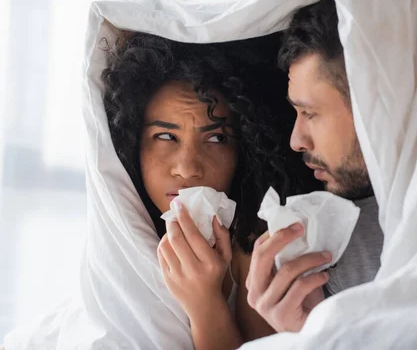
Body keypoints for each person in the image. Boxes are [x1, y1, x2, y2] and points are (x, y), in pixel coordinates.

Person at [101, 30, 319, 349]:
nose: (188, 167)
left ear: (244, 149)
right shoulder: (118, 236)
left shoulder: (258, 249)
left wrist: (204, 302)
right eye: (165, 137)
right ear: (133, 145)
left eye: (216, 138)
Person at [246, 0, 384, 333]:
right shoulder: (328, 247)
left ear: (374, 106)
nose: (297, 141)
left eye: (309, 113)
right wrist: (304, 335)